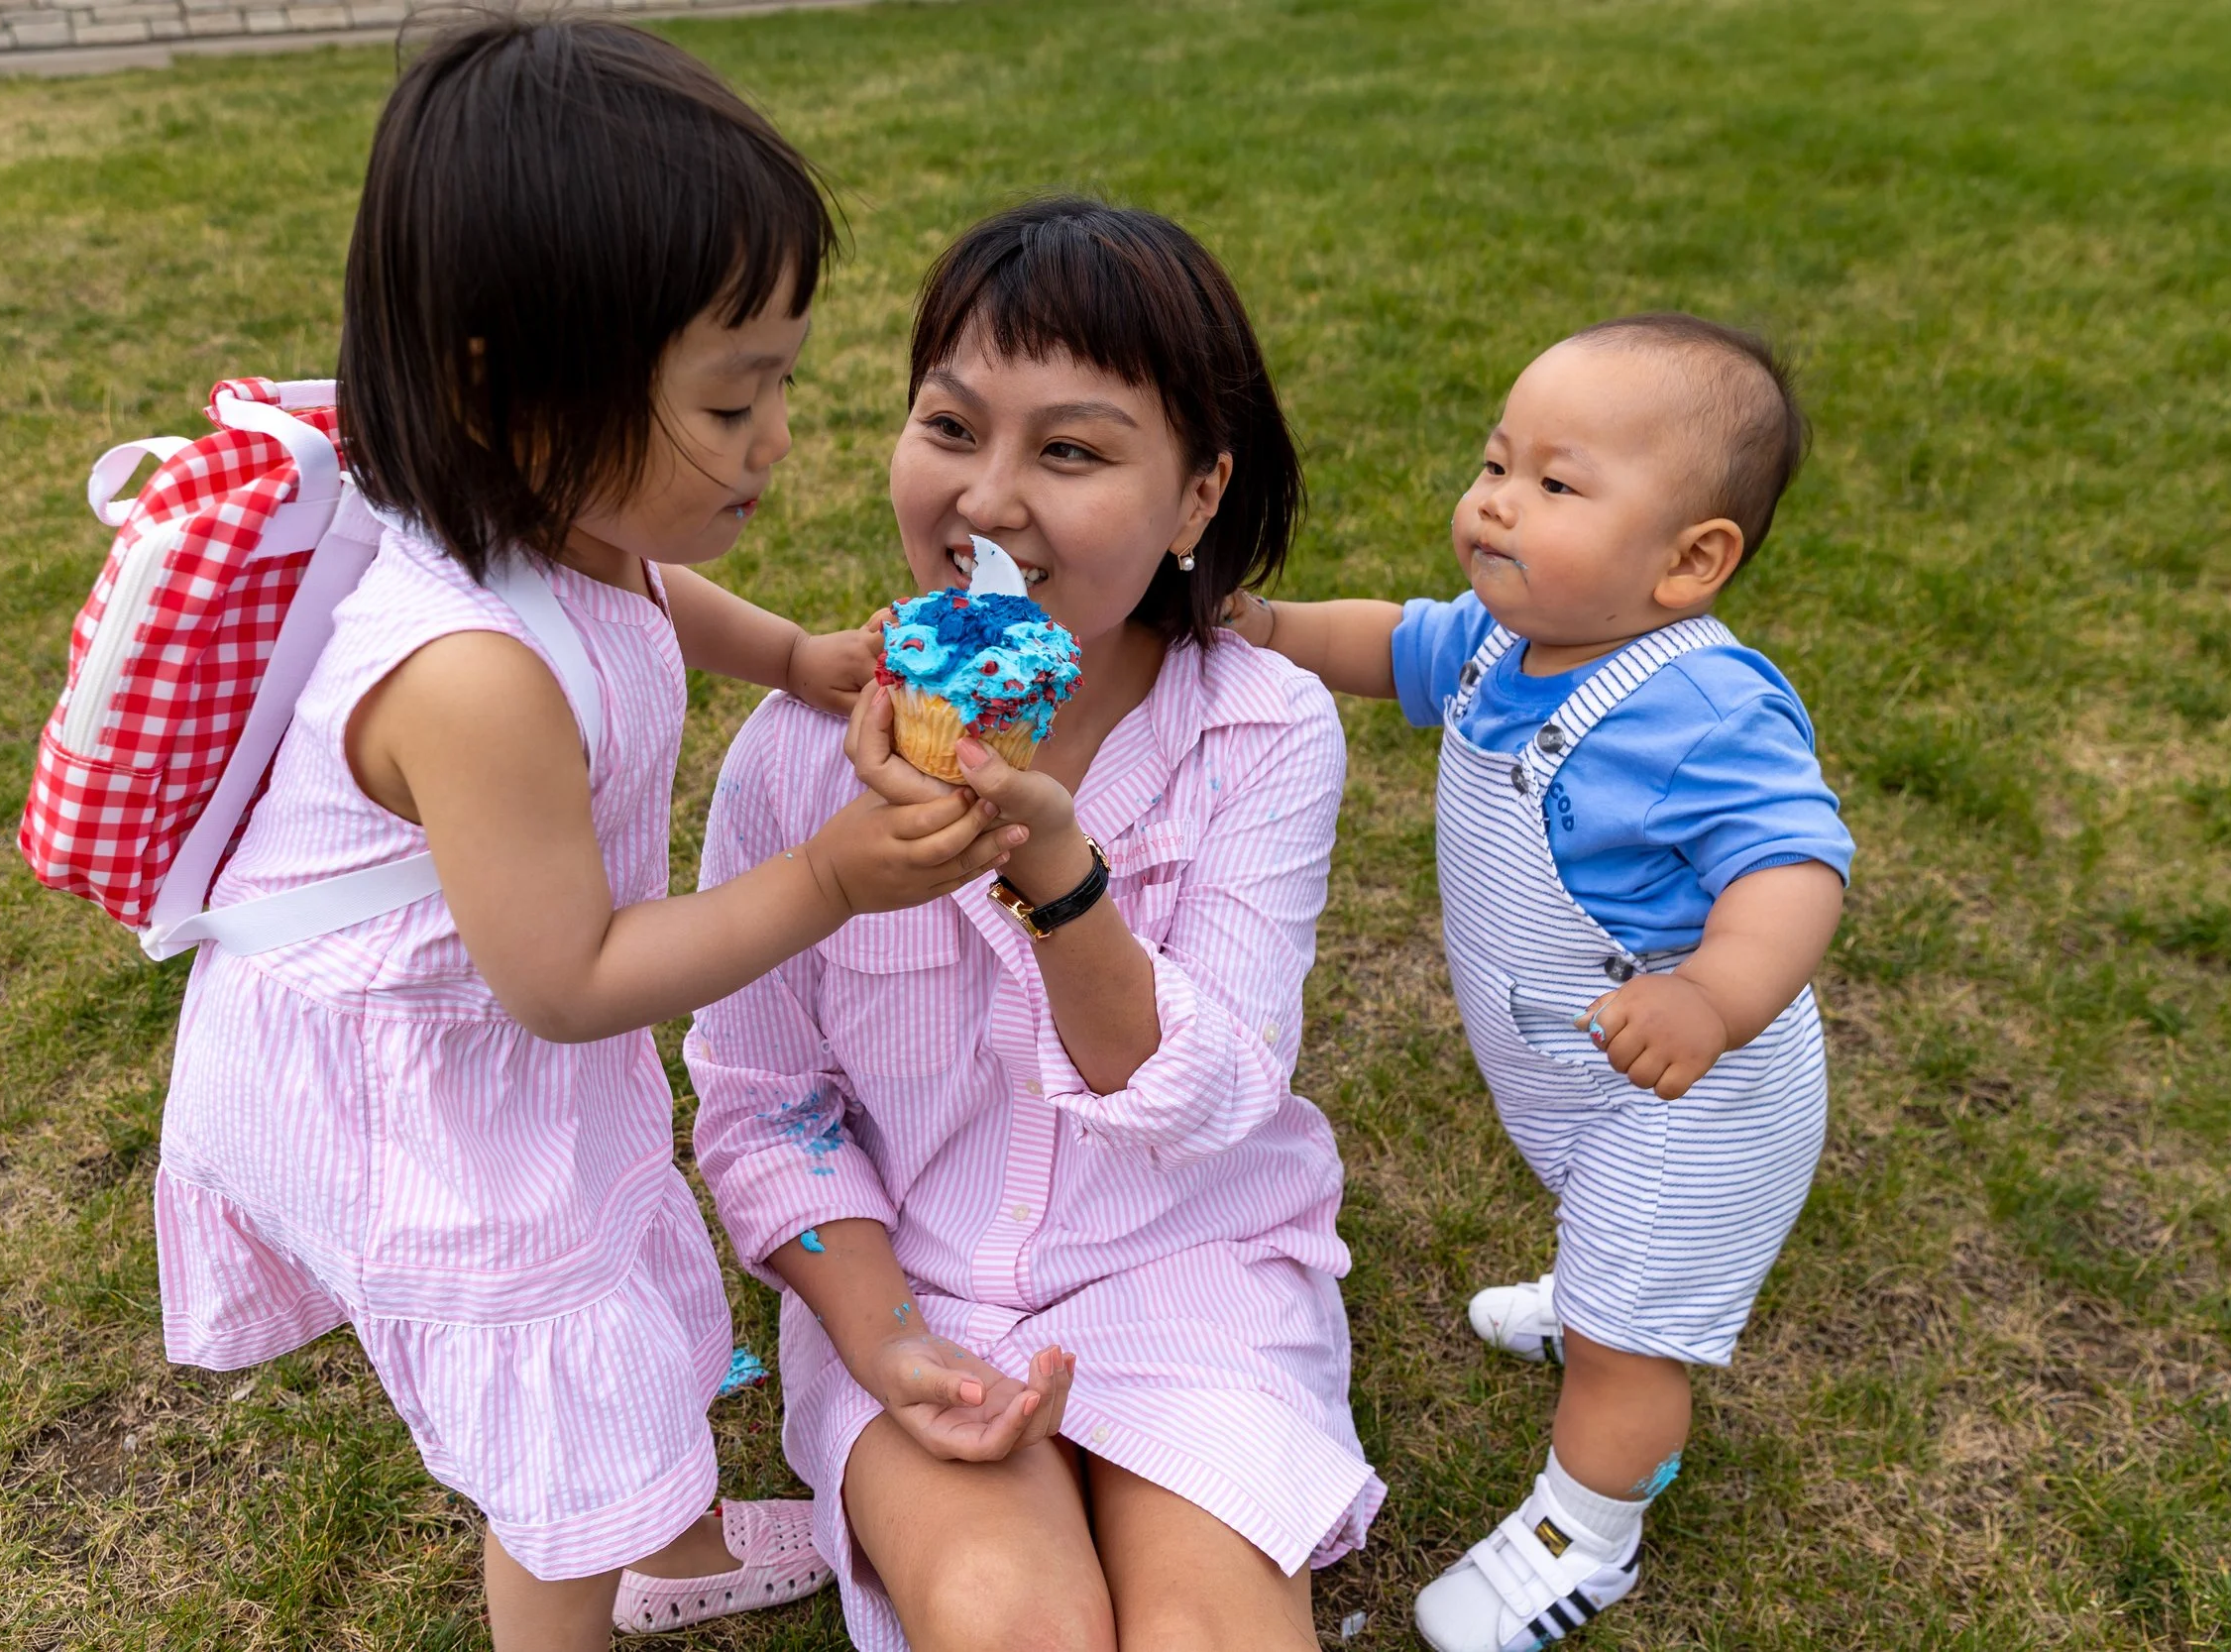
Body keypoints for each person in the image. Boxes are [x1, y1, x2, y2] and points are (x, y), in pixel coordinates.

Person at [151, 20, 1026, 1649]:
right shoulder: (469, 674)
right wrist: (831, 875)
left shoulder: (569, 513)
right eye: (732, 395)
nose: (778, 436)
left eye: (782, 380)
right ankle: (587, 1587)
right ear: (511, 387)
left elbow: (655, 592)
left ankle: (676, 1540)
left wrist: (789, 654)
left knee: (630, 1301)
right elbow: (569, 977)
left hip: (507, 1042)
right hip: (425, 1086)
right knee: (555, 1454)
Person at [690, 198, 1384, 1652]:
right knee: (1015, 1625)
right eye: (951, 426)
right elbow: (768, 1111)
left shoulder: (1261, 731)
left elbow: (1215, 1096)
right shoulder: (798, 753)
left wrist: (1059, 875)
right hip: (914, 1284)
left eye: (1069, 450)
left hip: (1187, 1265)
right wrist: (891, 1344)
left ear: (1197, 499)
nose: (989, 501)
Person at [1227, 314, 1854, 1651]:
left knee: (1632, 1344)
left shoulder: (1706, 710)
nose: (1495, 498)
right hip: (1586, 1070)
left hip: (1700, 1094)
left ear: (1692, 560)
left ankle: (1586, 1529)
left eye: (1556, 484)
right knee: (1602, 1250)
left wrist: (1715, 996)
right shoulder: (1497, 644)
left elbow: (1797, 865)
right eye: (1497, 462)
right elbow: (1386, 640)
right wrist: (1266, 627)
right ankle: (1594, 1286)